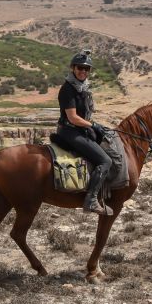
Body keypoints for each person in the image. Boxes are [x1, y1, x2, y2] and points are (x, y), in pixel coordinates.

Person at [57, 50, 113, 215]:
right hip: (70, 131)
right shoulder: (68, 89)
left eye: (86, 69)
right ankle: (91, 200)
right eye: (80, 68)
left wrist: (93, 126)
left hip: (79, 129)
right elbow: (73, 117)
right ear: (73, 68)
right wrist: (93, 125)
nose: (83, 71)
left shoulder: (81, 88)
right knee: (105, 161)